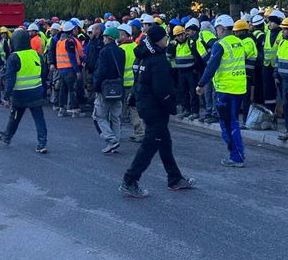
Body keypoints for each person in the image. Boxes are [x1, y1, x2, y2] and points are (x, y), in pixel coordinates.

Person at [120, 24, 195, 197]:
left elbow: (139, 82)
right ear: (158, 40)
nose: (167, 39)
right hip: (155, 108)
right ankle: (130, 180)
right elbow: (162, 89)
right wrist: (172, 106)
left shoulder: (142, 56)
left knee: (164, 142)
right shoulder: (158, 59)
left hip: (145, 105)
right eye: (164, 37)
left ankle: (175, 178)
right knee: (150, 145)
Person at [196, 15, 247, 168]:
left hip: (225, 90)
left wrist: (201, 84)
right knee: (233, 121)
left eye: (217, 29)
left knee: (228, 125)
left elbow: (211, 66)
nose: (216, 32)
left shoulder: (220, 45)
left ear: (222, 29)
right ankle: (237, 154)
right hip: (239, 88)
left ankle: (236, 156)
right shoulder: (239, 42)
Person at [0, 29, 48, 153]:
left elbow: (10, 79)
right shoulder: (36, 55)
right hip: (35, 92)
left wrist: (6, 97)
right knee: (39, 118)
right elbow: (43, 73)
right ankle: (42, 143)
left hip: (20, 94)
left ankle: (7, 136)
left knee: (15, 115)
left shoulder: (14, 57)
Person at [92, 25, 125, 154]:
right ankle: (115, 140)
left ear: (108, 37)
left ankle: (111, 139)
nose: (103, 39)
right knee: (115, 117)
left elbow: (101, 71)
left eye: (105, 36)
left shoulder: (104, 52)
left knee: (99, 116)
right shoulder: (121, 51)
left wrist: (96, 86)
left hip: (105, 89)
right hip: (118, 88)